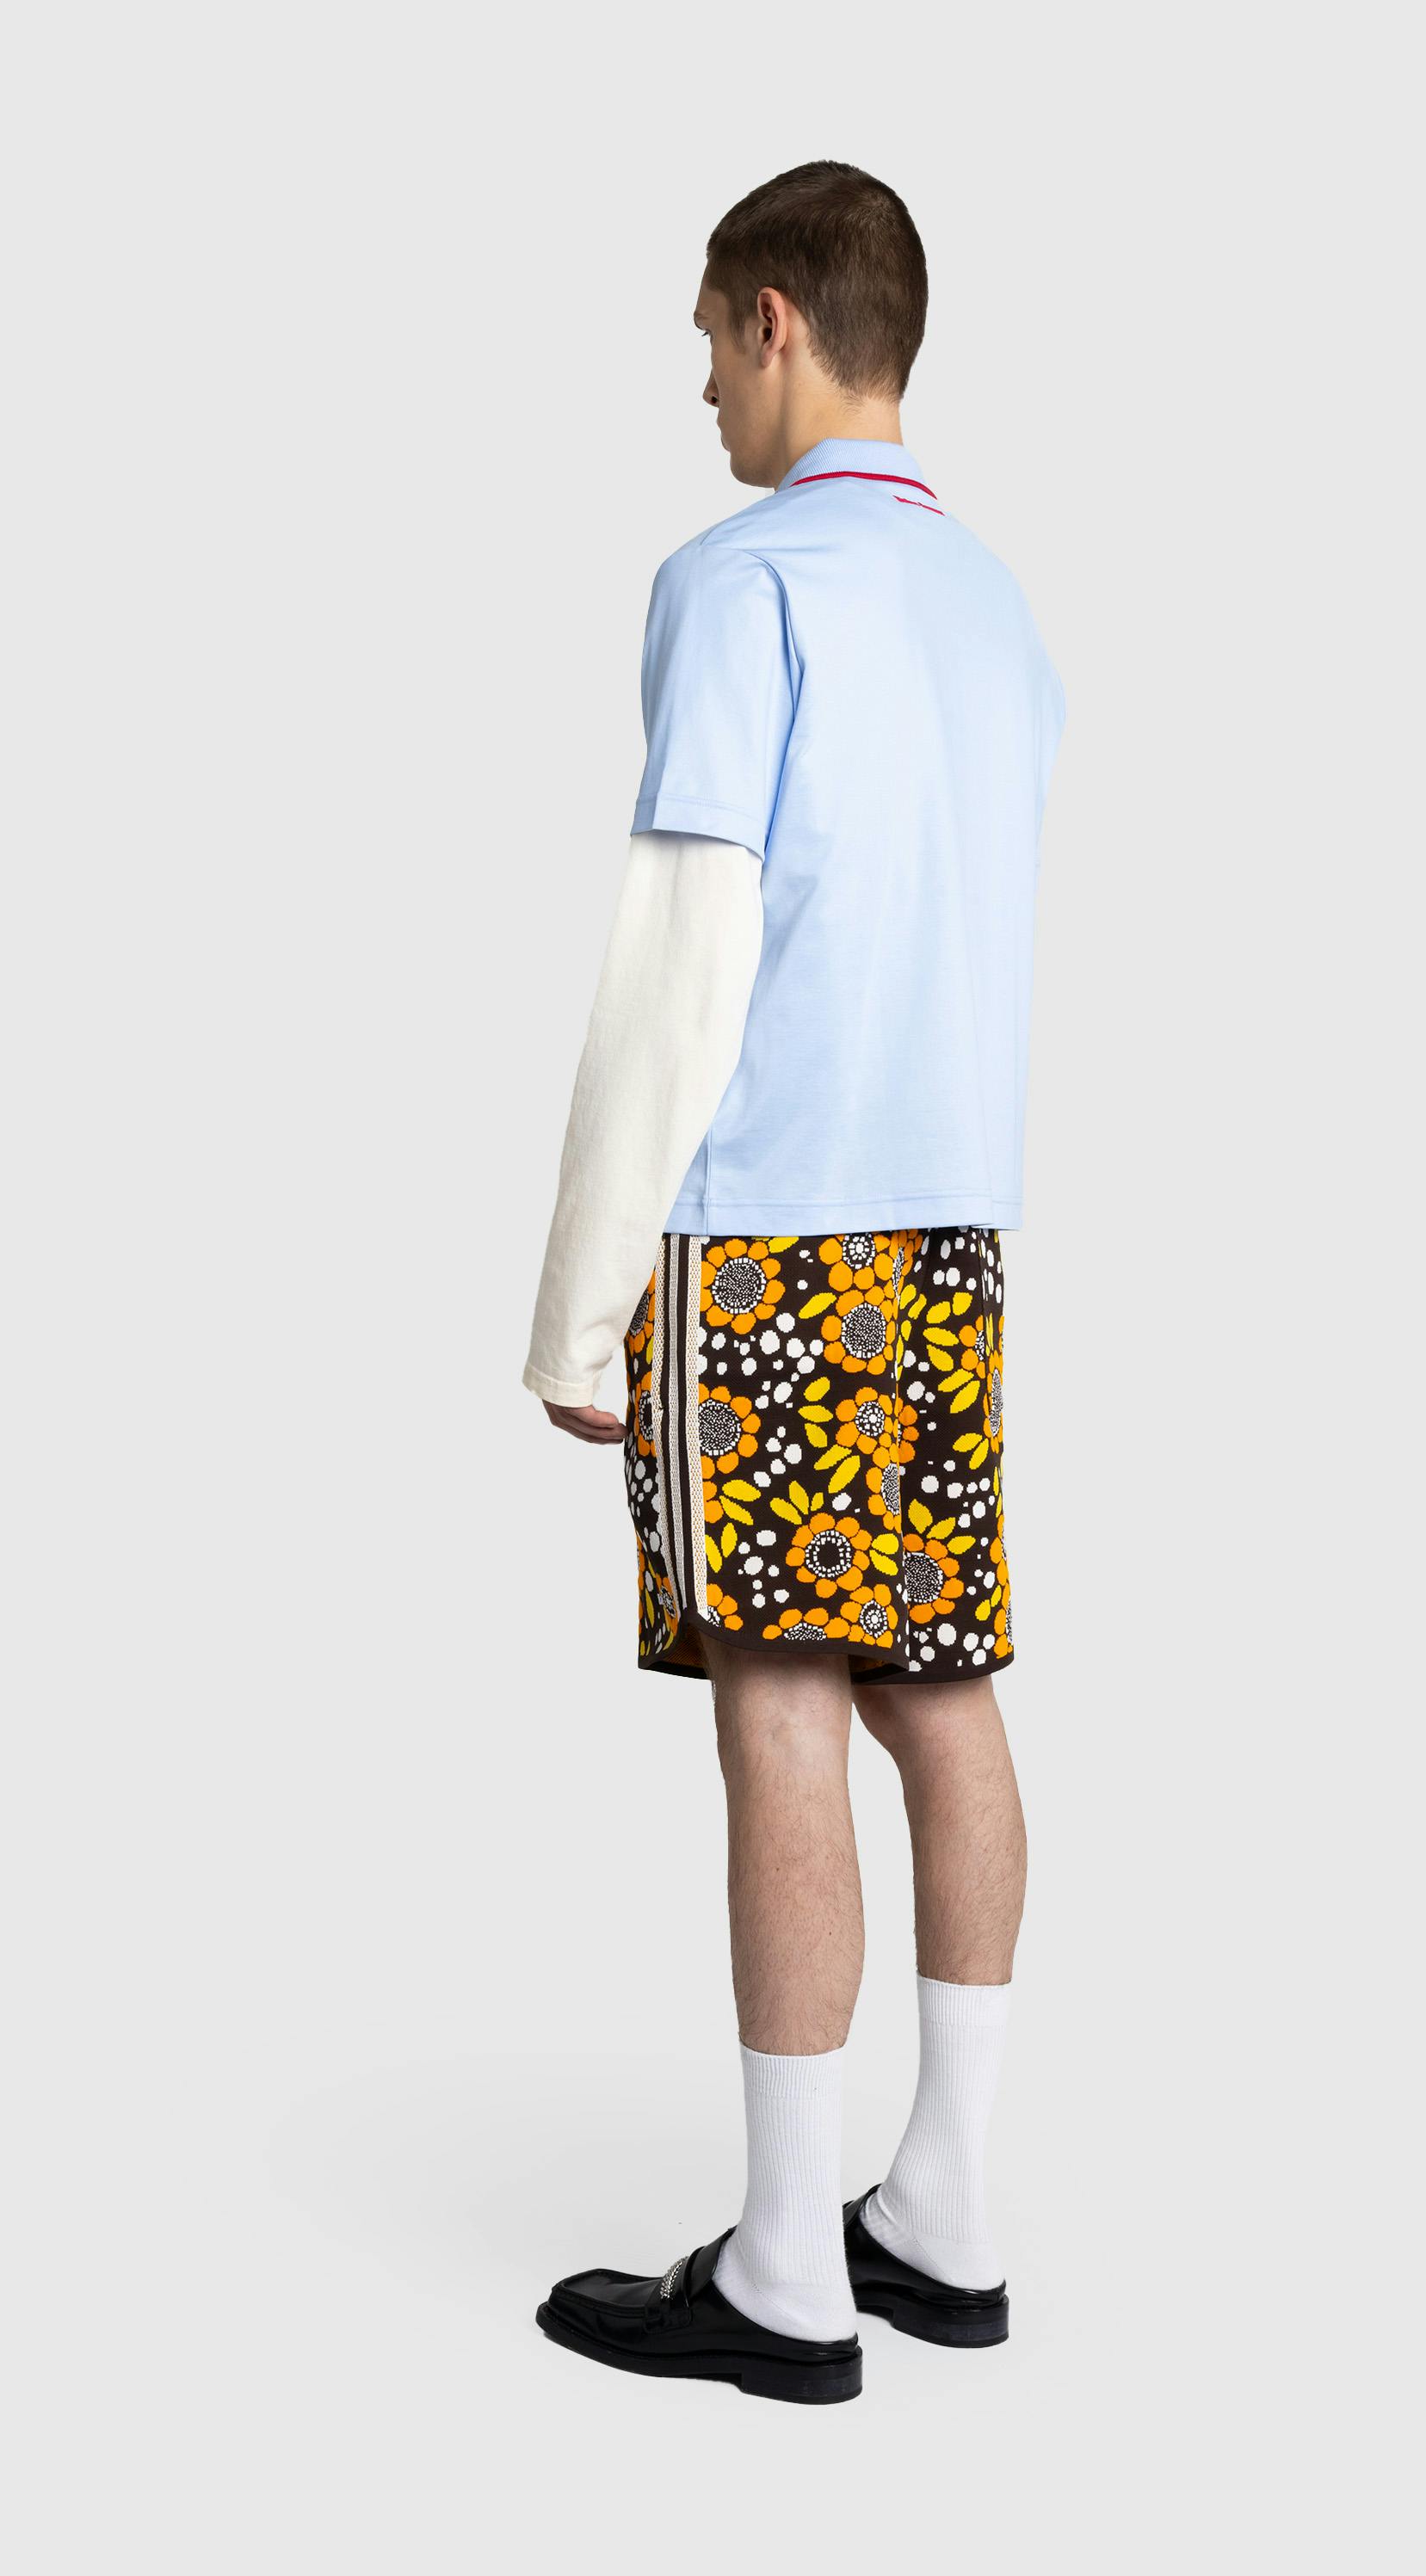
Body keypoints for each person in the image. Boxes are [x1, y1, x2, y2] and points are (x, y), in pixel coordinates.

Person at [522, 161, 1064, 2405]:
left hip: (767, 1246)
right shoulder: (997, 608)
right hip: (947, 1239)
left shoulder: (738, 583)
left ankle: (784, 2270)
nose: (702, 394)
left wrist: (580, 1308)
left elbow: (683, 961)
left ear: (773, 322)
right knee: (942, 1694)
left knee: (778, 1705)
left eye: (704, 344)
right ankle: (946, 2208)